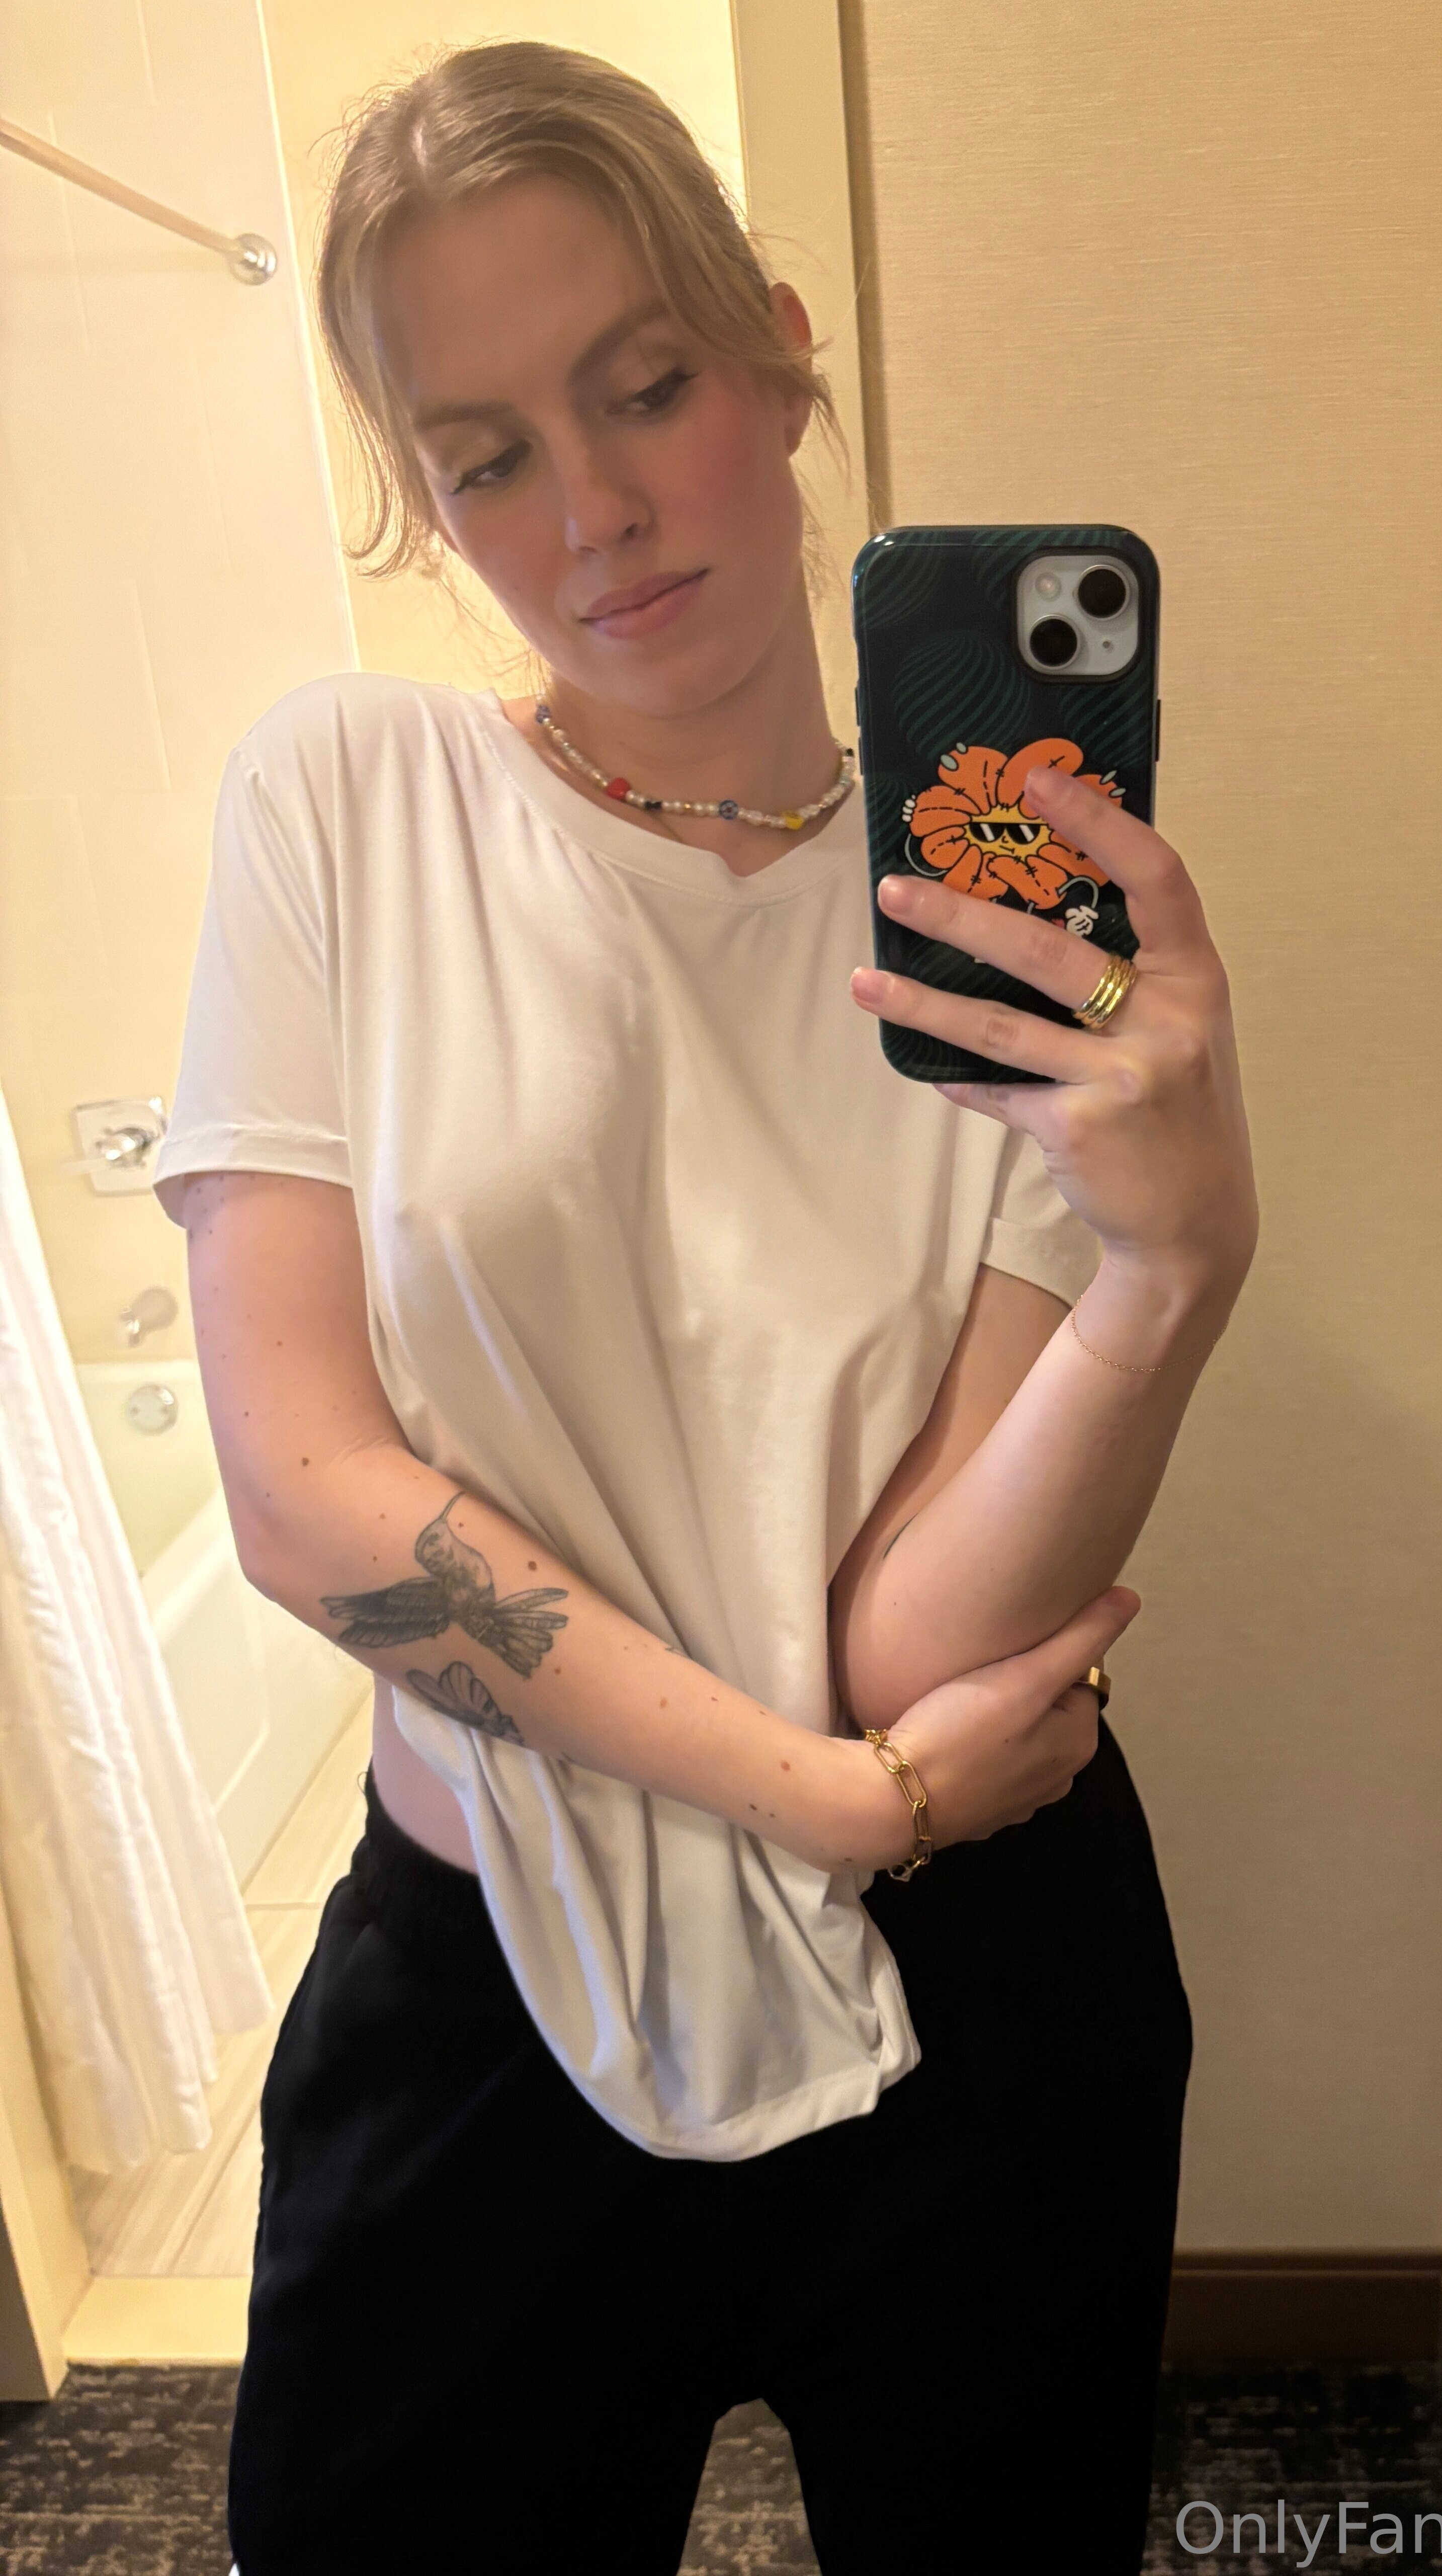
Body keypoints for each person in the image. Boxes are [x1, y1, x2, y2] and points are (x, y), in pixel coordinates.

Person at [153, 40, 1256, 2575]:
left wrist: (1174, 1264)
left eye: (643, 385)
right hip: (500, 1960)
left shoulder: (1013, 908)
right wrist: (830, 1799)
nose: (596, 511)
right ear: (422, 494)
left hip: (981, 1968)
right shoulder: (348, 804)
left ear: (775, 349)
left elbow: (906, 1638)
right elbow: (306, 1497)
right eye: (486, 457)